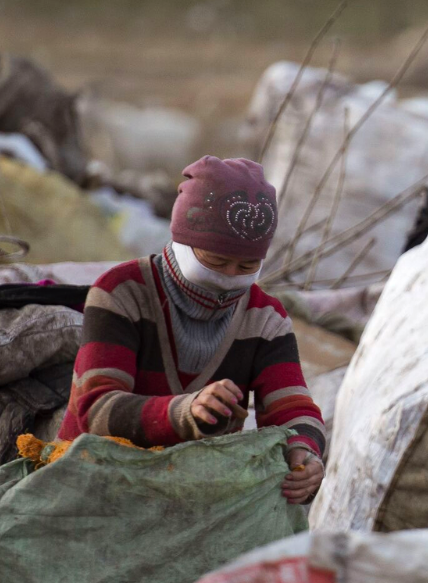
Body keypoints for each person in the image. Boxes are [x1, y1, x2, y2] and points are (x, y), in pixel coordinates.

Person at [58, 156, 325, 505]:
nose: (229, 277)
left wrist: (304, 449)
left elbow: (291, 406)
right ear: (182, 241)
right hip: (90, 483)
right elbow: (97, 410)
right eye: (215, 262)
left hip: (189, 496)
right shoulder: (122, 292)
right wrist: (185, 413)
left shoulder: (265, 318)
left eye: (246, 266)